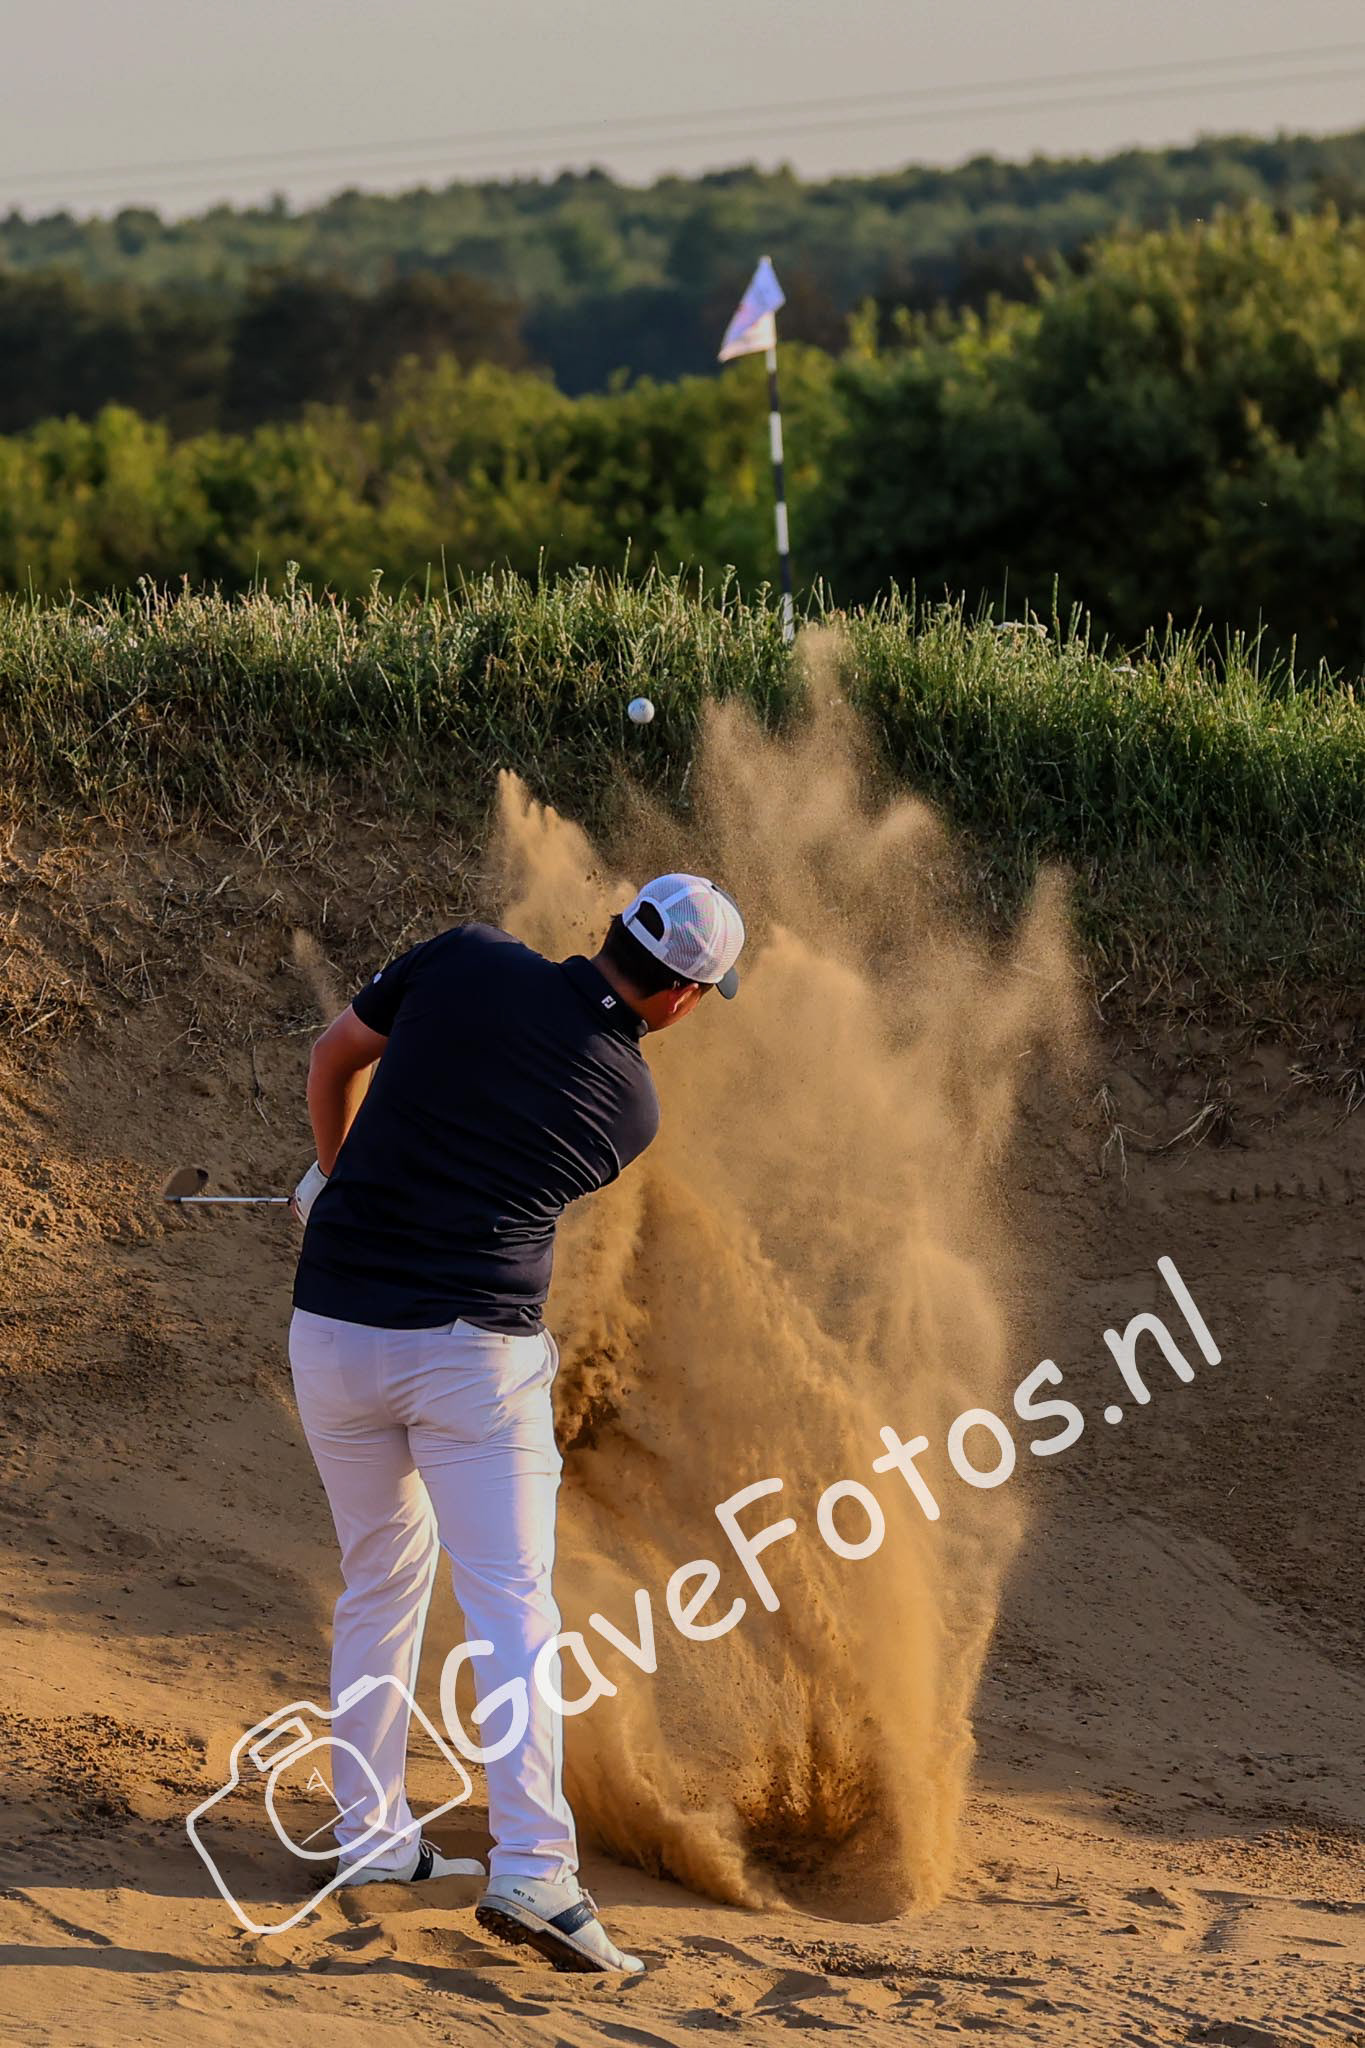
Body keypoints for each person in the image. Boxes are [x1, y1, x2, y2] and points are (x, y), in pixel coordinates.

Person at [287, 874, 745, 1975]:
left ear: (613, 926)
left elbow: (335, 1060)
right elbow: (486, 1172)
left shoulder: (465, 955)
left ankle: (370, 1834)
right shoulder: (629, 1106)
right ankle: (535, 1867)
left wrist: (337, 1183)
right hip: (469, 1359)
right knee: (512, 1611)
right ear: (684, 997)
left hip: (332, 1332)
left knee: (379, 1579)